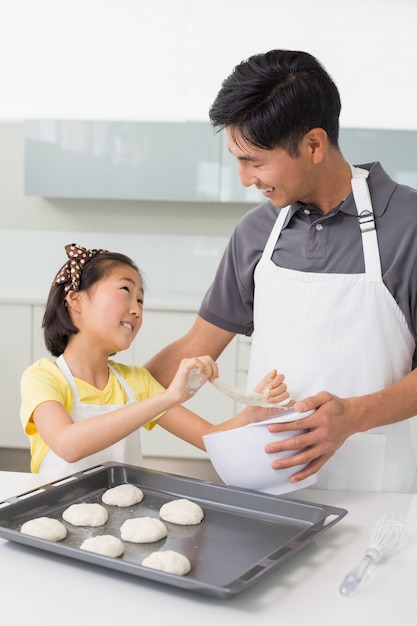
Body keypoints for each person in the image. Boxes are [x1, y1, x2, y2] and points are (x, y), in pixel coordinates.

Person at [145, 49, 417, 493]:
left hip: (374, 493)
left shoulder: (408, 226)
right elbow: (191, 355)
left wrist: (355, 416)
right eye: (236, 158)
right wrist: (99, 375)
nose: (244, 178)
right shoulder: (257, 233)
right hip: (265, 485)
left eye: (254, 160)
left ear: (313, 144)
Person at [19, 243, 289, 477]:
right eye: (125, 290)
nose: (136, 309)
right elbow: (68, 445)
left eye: (140, 300)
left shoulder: (136, 382)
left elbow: (209, 437)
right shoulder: (42, 377)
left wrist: (252, 412)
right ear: (76, 300)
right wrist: (167, 397)